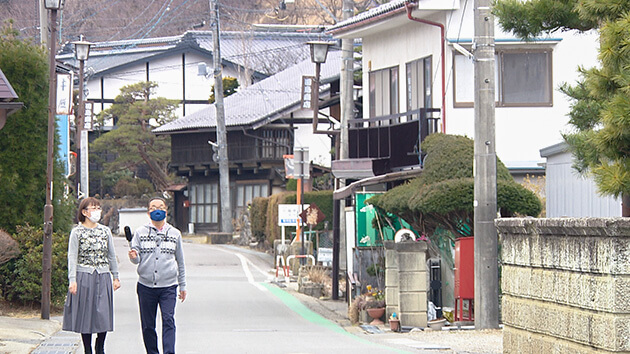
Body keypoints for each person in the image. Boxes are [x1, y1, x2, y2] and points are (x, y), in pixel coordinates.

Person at [128, 197, 186, 354]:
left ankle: (169, 352)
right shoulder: (140, 233)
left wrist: (183, 285)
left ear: (166, 211)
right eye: (153, 207)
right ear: (148, 212)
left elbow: (180, 261)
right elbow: (136, 259)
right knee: (148, 325)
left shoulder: (175, 234)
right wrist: (133, 257)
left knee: (168, 320)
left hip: (169, 286)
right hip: (146, 286)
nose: (157, 210)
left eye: (160, 207)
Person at [63, 197, 121, 354]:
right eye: (93, 208)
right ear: (84, 212)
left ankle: (100, 345)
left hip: (102, 275)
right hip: (84, 275)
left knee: (103, 312)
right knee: (85, 313)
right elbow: (72, 256)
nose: (97, 211)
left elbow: (111, 255)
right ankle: (87, 348)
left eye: (98, 208)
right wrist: (72, 280)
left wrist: (115, 276)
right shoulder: (77, 232)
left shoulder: (105, 231)